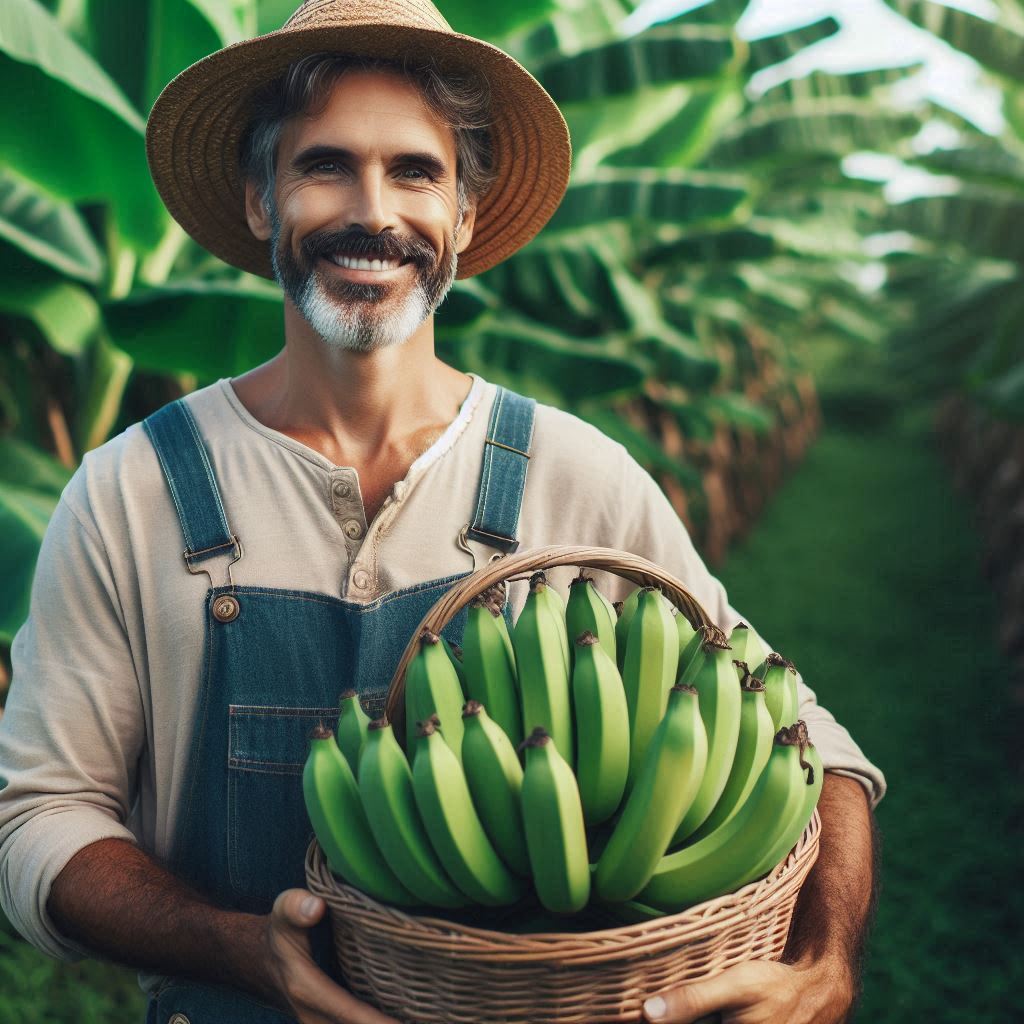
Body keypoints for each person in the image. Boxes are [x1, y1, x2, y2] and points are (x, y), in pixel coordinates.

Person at [0, 1, 886, 1022]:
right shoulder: (130, 493)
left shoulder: (572, 474)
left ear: (463, 214)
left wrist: (827, 956)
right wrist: (243, 948)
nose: (371, 212)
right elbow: (39, 819)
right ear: (259, 201)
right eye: (324, 165)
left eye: (415, 171)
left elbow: (810, 742)